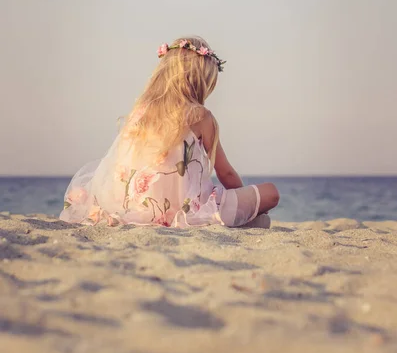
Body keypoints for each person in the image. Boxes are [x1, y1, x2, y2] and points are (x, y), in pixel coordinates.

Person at [60, 36, 279, 228]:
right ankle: (245, 218)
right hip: (189, 209)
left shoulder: (141, 111)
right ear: (201, 81)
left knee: (257, 218)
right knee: (270, 193)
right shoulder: (200, 116)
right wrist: (242, 201)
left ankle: (248, 220)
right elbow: (226, 174)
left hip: (135, 206)